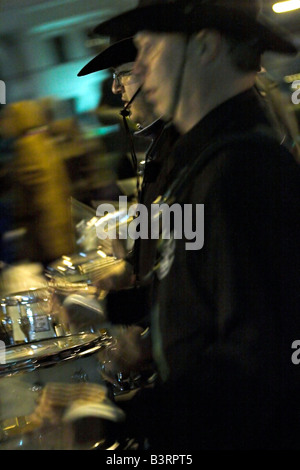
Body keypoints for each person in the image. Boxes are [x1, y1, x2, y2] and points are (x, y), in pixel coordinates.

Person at [88, 0, 300, 450]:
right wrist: (112, 310)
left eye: (147, 49)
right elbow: (191, 287)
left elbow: (257, 369)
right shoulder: (208, 162)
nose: (139, 70)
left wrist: (118, 419)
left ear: (204, 46)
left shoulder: (244, 171)